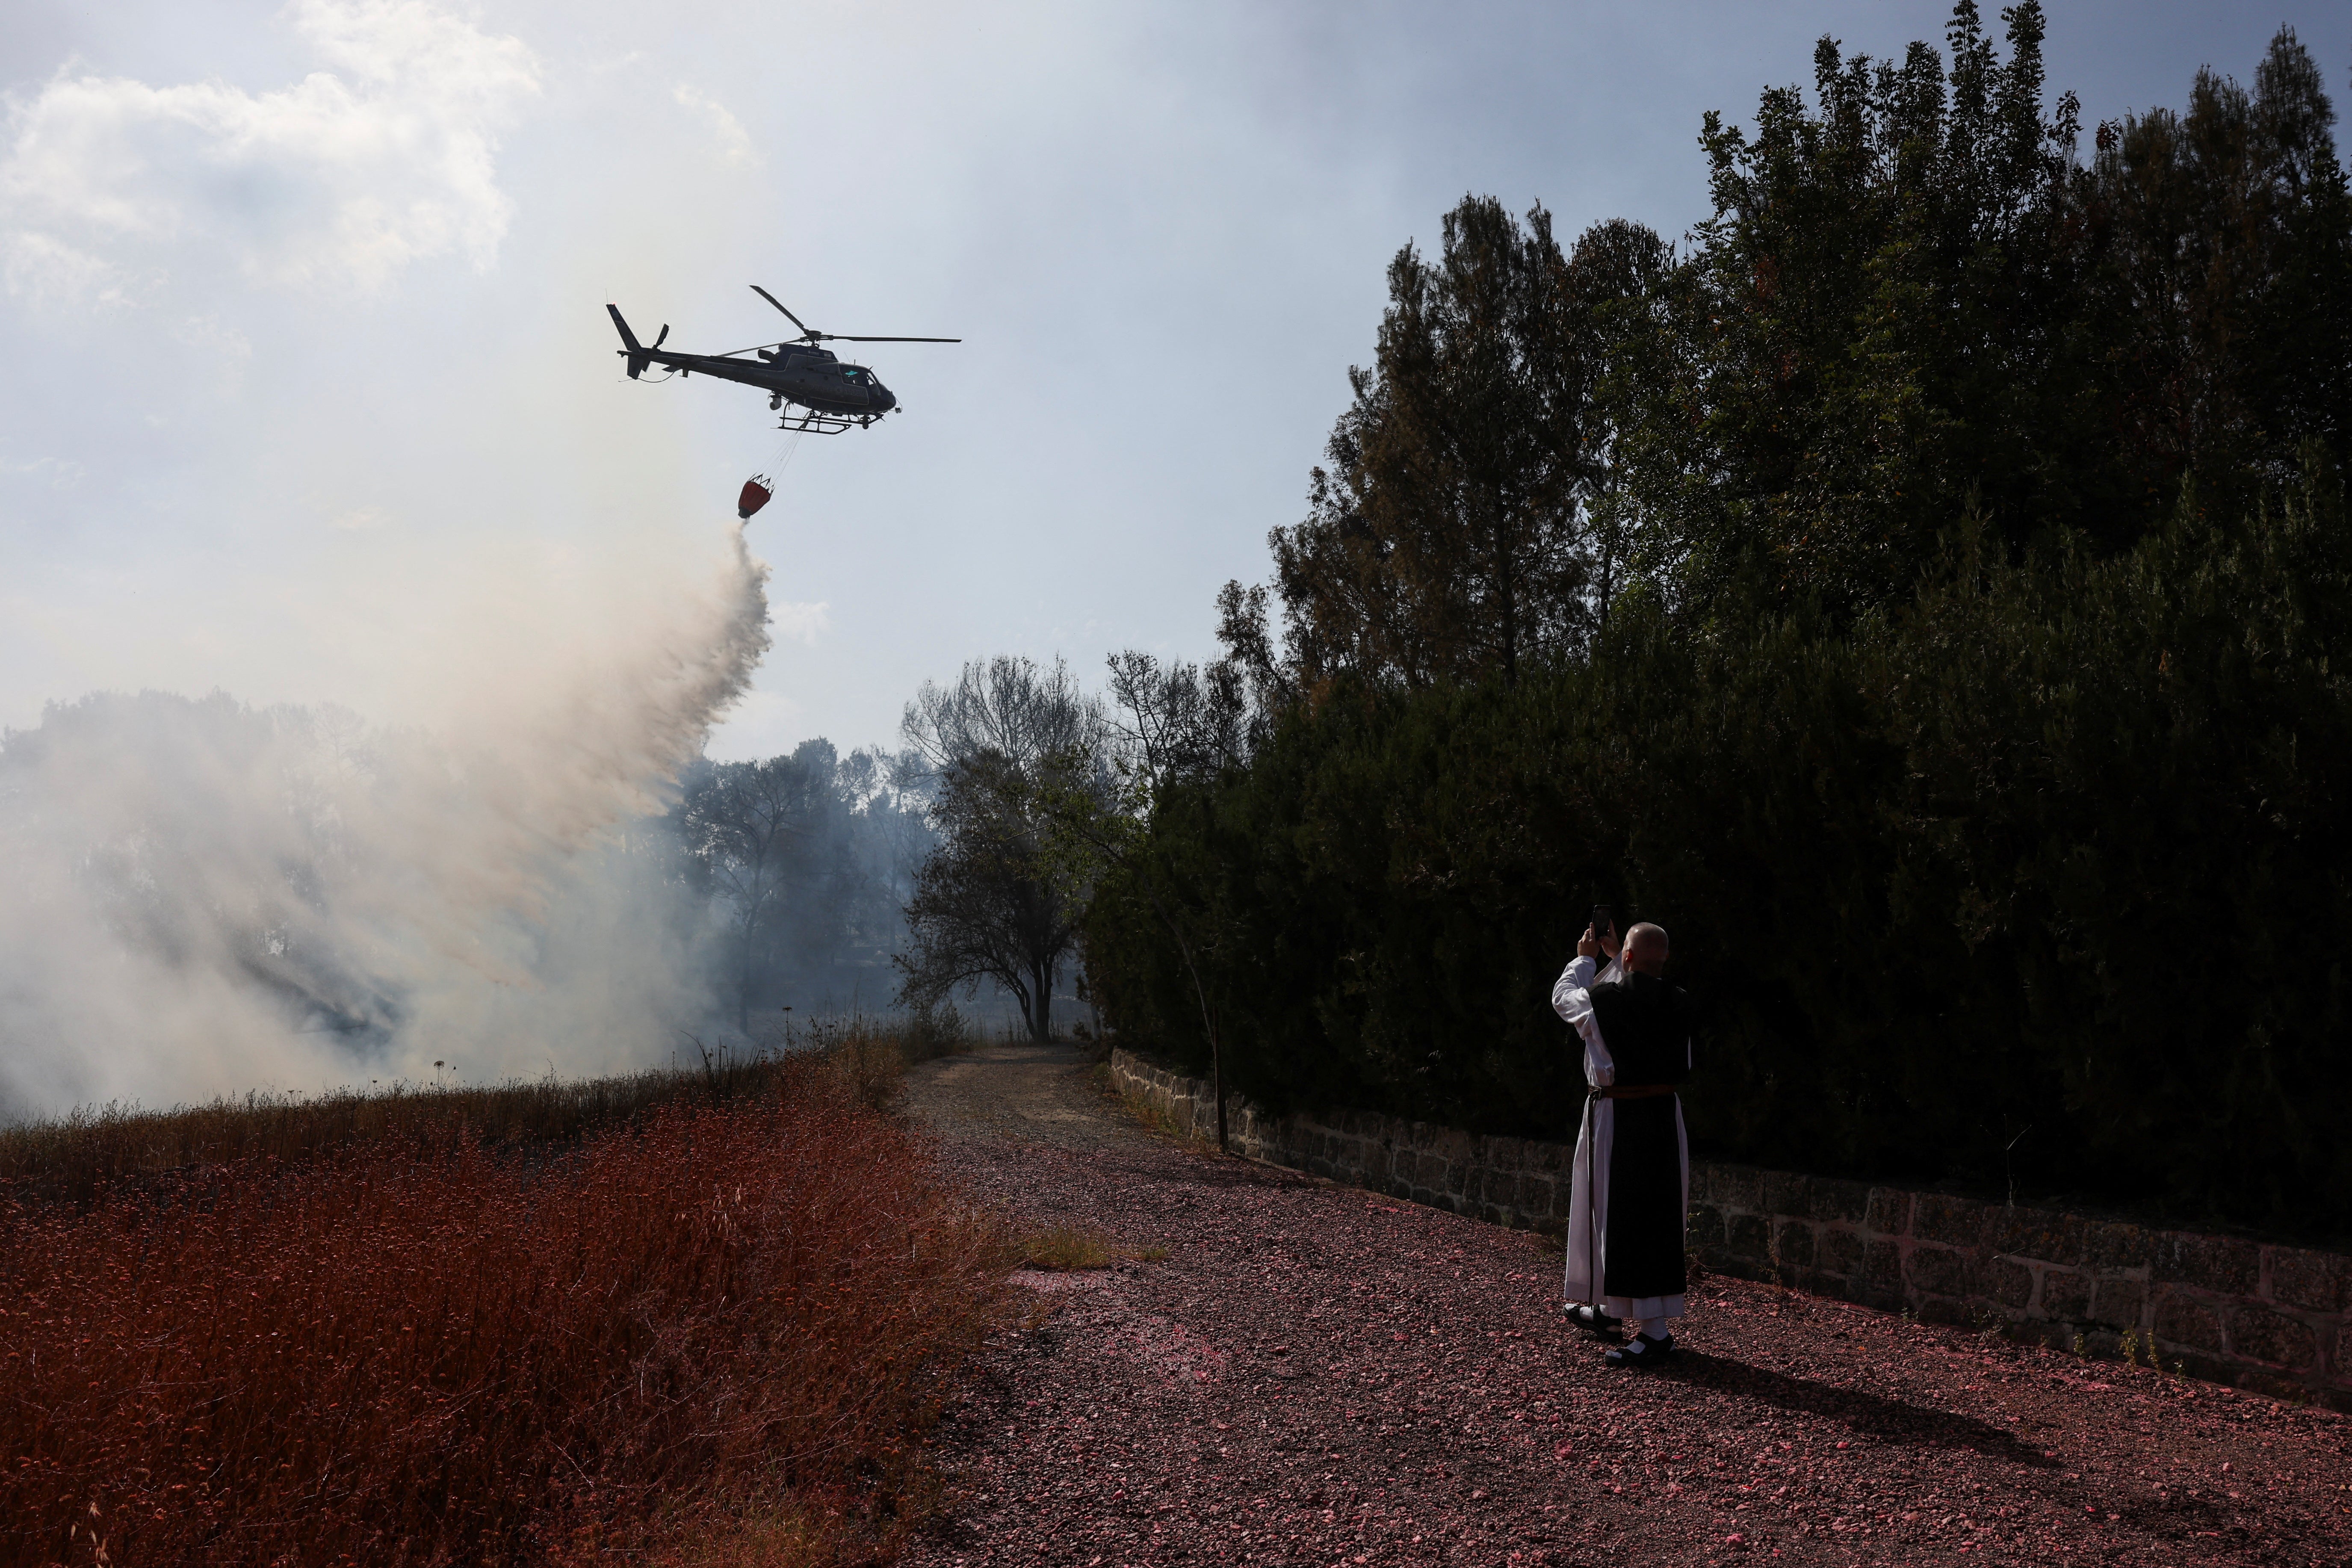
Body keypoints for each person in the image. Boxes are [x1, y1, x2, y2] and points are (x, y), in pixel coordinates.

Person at [1552, 918, 1695, 1367]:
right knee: (1657, 1214)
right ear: (1664, 958)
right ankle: (1608, 1309)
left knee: (1617, 1215)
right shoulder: (1680, 1001)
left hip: (1617, 1114)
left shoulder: (1603, 999)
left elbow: (1563, 997)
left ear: (1628, 957)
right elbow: (1644, 997)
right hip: (1664, 1116)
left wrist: (1585, 958)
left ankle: (1654, 1332)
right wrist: (1619, 959)